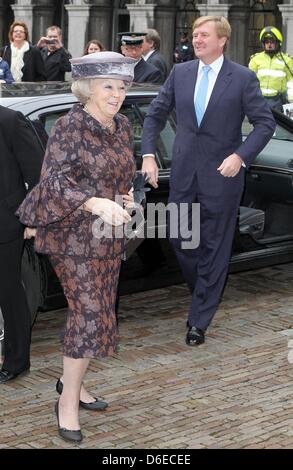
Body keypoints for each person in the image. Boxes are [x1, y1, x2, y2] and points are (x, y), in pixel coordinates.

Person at [16, 51, 136, 443]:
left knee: (96, 313)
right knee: (88, 314)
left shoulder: (122, 125)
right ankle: (67, 402)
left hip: (107, 233)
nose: (117, 94)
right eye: (108, 86)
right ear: (87, 89)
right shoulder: (70, 126)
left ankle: (74, 382)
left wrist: (125, 196)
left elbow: (122, 173)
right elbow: (53, 182)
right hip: (71, 235)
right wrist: (94, 202)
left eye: (121, 87)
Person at [141, 16, 276, 347]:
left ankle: (199, 320)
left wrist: (240, 156)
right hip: (185, 172)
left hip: (223, 177)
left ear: (222, 40)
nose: (196, 39)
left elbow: (264, 123)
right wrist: (147, 155)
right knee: (178, 236)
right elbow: (155, 115)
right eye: (194, 35)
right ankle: (204, 290)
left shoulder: (242, 78)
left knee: (216, 247)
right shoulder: (180, 73)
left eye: (204, 35)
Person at [0, 106, 43, 384]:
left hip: (5, 222)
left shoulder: (10, 120)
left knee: (7, 289)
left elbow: (38, 174)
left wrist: (32, 219)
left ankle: (16, 361)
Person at [248, 26, 293, 112]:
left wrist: (291, 103)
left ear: (278, 43)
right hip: (259, 101)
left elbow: (291, 82)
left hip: (278, 102)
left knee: (277, 125)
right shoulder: (255, 59)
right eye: (266, 42)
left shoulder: (287, 60)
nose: (269, 44)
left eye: (272, 42)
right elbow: (249, 81)